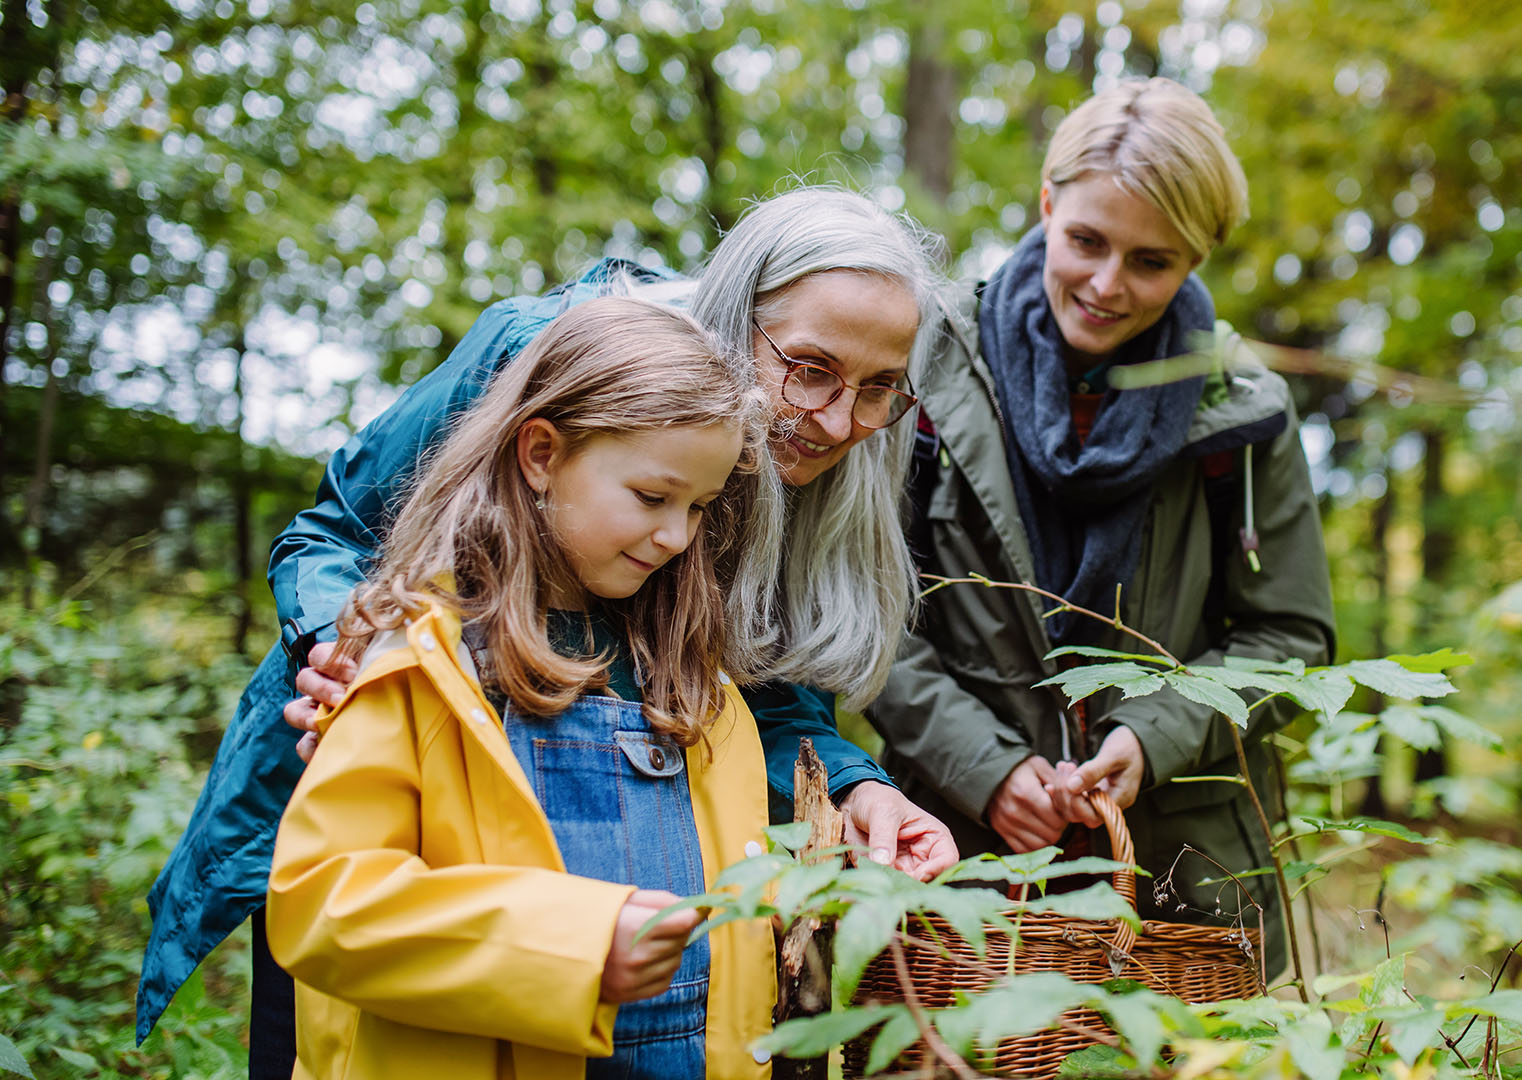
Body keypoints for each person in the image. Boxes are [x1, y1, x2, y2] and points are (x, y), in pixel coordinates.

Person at [137, 189, 960, 1070]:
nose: (840, 421)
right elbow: (334, 535)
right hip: (399, 801)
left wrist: (851, 788)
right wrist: (354, 652)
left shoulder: (795, 472)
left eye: (880, 388)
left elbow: (761, 686)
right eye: (811, 369)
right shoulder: (550, 357)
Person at [868, 79, 1336, 974]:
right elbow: (869, 613)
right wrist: (983, 767)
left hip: (1181, 884)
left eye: (1152, 261)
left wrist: (1152, 739)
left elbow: (1290, 637)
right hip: (960, 862)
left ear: (1196, 258)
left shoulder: (1242, 410)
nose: (1107, 284)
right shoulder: (925, 368)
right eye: (1085, 241)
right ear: (1047, 205)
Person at [268, 296, 775, 1079]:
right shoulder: (421, 660)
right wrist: (574, 947)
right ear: (541, 453)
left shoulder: (697, 685)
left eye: (700, 508)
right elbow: (323, 903)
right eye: (652, 497)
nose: (677, 536)